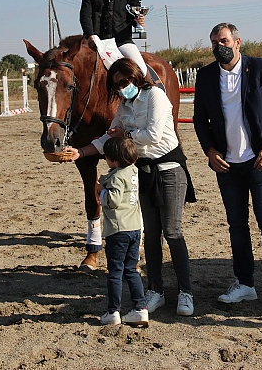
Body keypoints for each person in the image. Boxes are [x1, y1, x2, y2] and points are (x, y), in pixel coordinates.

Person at [67, 58, 196, 317]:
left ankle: (185, 291)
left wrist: (124, 135)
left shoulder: (155, 97)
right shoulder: (124, 106)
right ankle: (156, 290)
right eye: (116, 86)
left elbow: (152, 135)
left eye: (124, 82)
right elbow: (107, 137)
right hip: (144, 171)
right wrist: (80, 152)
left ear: (136, 77)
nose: (122, 88)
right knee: (151, 233)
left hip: (169, 169)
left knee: (172, 231)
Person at [193, 22, 262, 306]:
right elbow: (200, 118)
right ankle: (245, 283)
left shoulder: (261, 68)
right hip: (226, 164)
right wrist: (210, 150)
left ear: (237, 42)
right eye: (213, 42)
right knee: (237, 225)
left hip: (260, 161)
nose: (218, 47)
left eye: (223, 40)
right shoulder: (206, 76)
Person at [96, 136, 148, 327]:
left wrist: (101, 192)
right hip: (134, 228)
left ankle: (113, 311)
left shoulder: (117, 177)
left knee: (115, 272)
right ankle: (140, 308)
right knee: (131, 270)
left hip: (118, 230)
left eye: (107, 158)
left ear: (115, 160)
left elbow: (114, 200)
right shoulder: (133, 171)